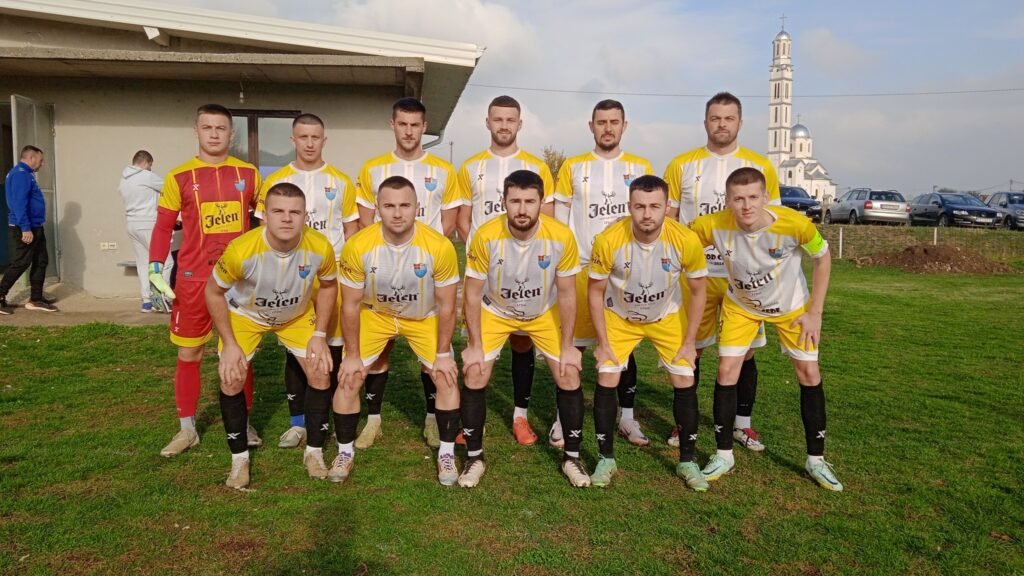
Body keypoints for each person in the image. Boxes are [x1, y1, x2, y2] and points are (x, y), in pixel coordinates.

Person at [690, 167, 842, 491]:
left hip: (791, 308)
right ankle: (723, 455)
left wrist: (815, 312)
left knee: (808, 373)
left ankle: (816, 460)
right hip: (741, 307)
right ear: (727, 200)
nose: (746, 205)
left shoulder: (795, 224)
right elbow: (678, 239)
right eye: (738, 199)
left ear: (765, 197)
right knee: (726, 371)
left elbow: (823, 258)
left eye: (753, 197)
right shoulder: (712, 224)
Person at [664, 92, 781, 451]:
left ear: (740, 123)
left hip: (742, 279)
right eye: (715, 118)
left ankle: (741, 425)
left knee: (745, 352)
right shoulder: (682, 164)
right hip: (695, 277)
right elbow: (670, 220)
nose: (721, 124)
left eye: (729, 118)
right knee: (690, 350)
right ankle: (684, 425)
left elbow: (773, 222)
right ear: (705, 122)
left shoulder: (759, 165)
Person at [459, 169, 590, 488]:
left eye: (530, 201)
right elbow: (472, 294)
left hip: (543, 312)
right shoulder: (486, 235)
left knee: (569, 373)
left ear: (541, 202)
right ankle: (474, 458)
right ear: (503, 202)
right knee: (475, 372)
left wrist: (569, 345)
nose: (522, 209)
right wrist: (474, 345)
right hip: (496, 310)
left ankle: (572, 458)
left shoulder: (560, 236)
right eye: (515, 201)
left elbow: (568, 293)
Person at [206, 183, 338, 489]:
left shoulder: (319, 246)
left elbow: (329, 285)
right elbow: (213, 292)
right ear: (264, 215)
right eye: (278, 211)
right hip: (246, 316)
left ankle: (314, 453)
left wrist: (320, 333)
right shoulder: (241, 250)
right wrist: (229, 344)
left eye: (295, 212)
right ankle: (239, 461)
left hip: (296, 317)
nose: (287, 218)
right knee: (231, 378)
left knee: (320, 372)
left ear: (305, 216)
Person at [149, 103, 262, 458]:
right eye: (207, 127)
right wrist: (154, 269)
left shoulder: (250, 174)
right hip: (193, 278)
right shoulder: (178, 176)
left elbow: (266, 221)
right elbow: (163, 227)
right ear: (196, 131)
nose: (214, 134)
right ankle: (187, 429)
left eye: (220, 128)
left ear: (231, 133)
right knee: (189, 352)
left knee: (240, 352)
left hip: (238, 281)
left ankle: (243, 421)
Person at [335, 176, 461, 486]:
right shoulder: (358, 246)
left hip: (422, 317)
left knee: (445, 376)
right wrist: (352, 355)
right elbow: (350, 305)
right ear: (377, 208)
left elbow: (448, 305)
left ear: (417, 207)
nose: (397, 213)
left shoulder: (439, 246)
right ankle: (344, 452)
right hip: (377, 314)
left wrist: (443, 354)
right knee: (349, 376)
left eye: (405, 205)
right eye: (389, 206)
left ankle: (446, 454)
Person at [586, 175, 708, 489]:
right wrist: (602, 342)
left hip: (667, 316)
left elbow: (698, 292)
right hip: (620, 317)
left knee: (684, 378)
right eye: (639, 206)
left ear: (667, 207)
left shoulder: (685, 239)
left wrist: (690, 342)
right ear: (629, 206)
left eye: (655, 206)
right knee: (607, 375)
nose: (647, 214)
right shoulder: (609, 239)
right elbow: (595, 291)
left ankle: (687, 461)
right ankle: (605, 459)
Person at [353, 98, 460, 450]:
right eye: (403, 124)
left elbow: (448, 221)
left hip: (426, 272)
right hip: (382, 270)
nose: (409, 131)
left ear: (424, 127)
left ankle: (431, 419)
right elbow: (365, 220)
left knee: (431, 355)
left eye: (416, 125)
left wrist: (426, 255)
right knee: (378, 349)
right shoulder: (373, 168)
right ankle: (373, 420)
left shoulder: (443, 170)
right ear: (393, 125)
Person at [455, 95, 556, 447]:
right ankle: (473, 422)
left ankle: (519, 416)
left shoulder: (536, 167)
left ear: (519, 124)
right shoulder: (470, 167)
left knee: (522, 341)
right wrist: (484, 253)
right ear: (488, 122)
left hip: (526, 273)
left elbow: (548, 220)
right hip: (484, 272)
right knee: (478, 344)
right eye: (497, 119)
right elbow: (463, 220)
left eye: (510, 119)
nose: (504, 125)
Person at [552, 99, 654, 447]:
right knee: (573, 346)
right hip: (583, 269)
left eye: (614, 122)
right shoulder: (573, 166)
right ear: (591, 126)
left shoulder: (639, 166)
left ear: (624, 126)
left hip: (626, 273)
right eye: (601, 122)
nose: (607, 128)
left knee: (624, 347)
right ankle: (563, 418)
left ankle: (627, 418)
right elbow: (560, 222)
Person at [255, 113, 360, 450]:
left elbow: (352, 231)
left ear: (324, 140)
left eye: (316, 137)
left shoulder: (341, 181)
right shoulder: (276, 181)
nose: (310, 143)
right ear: (293, 140)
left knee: (334, 346)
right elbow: (264, 231)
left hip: (332, 276)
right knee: (295, 347)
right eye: (303, 137)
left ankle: (330, 416)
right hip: (293, 278)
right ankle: (298, 422)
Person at [0, 145, 57, 314]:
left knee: (41, 261)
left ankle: (36, 299)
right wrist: (25, 228)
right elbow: (19, 204)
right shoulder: (20, 174)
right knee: (21, 263)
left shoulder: (25, 174)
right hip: (25, 227)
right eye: (40, 160)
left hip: (35, 226)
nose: (42, 163)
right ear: (31, 158)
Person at [117, 150, 172, 312]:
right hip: (148, 223)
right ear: (146, 162)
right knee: (166, 261)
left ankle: (147, 301)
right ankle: (163, 298)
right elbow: (171, 188)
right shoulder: (146, 176)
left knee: (143, 263)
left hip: (131, 223)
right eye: (150, 165)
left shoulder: (124, 180)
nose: (150, 169)